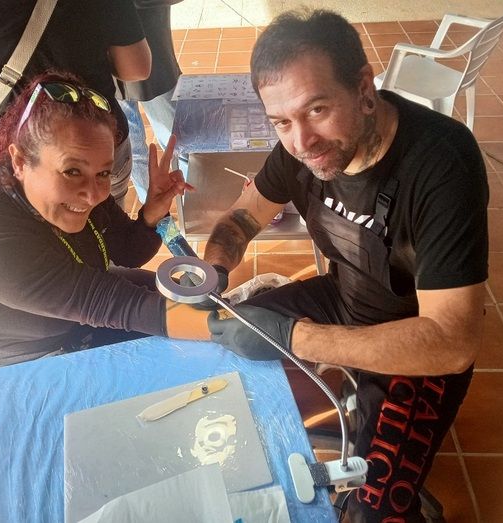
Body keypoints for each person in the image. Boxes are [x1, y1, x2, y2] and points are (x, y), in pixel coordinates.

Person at [203, 10, 488, 522]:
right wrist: (214, 272)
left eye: (317, 109)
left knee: (371, 513)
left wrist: (296, 337)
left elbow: (453, 341)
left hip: (415, 340)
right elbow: (243, 217)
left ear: (363, 89)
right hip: (343, 297)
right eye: (281, 122)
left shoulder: (442, 164)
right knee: (213, 350)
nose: (301, 142)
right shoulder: (301, 151)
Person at [0, 71, 213, 370]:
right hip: (32, 359)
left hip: (77, 316)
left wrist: (152, 212)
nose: (93, 195)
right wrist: (220, 327)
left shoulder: (65, 192)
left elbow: (127, 252)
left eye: (103, 172)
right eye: (72, 171)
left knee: (185, 303)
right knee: (183, 359)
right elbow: (115, 306)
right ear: (20, 161)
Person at [0, 0, 151, 207]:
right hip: (98, 141)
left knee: (34, 235)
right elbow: (136, 67)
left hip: (20, 151)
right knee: (110, 226)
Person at [117, 2, 180, 202]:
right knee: (131, 148)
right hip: (108, 61)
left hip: (153, 55)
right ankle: (154, 210)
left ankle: (190, 207)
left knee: (178, 140)